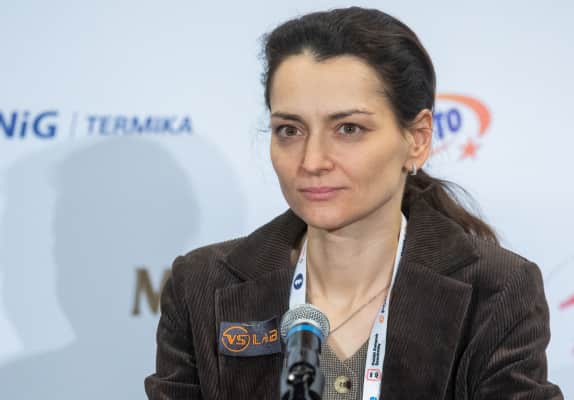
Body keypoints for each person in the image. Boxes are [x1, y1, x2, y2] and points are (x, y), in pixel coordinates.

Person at [145, 6, 563, 399]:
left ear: (417, 139)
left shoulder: (496, 291)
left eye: (348, 129)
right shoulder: (201, 286)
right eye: (290, 130)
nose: (312, 161)